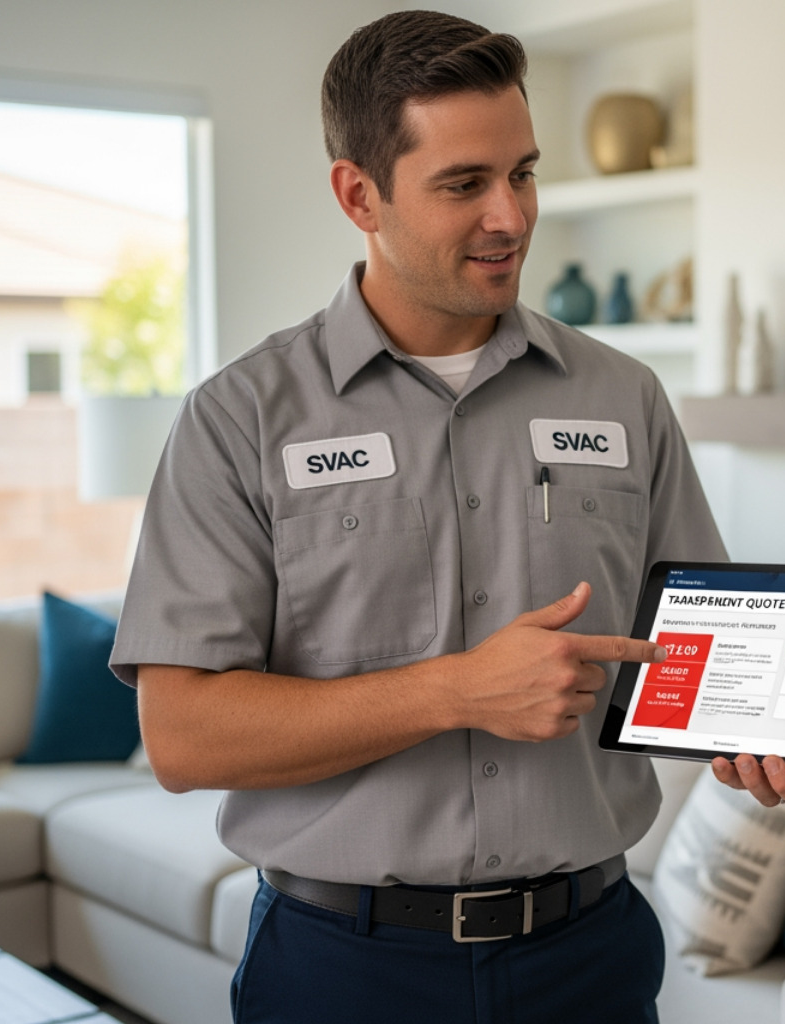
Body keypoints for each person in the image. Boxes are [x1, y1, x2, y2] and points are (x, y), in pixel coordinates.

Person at [108, 11, 726, 1023]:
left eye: (522, 173)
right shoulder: (241, 418)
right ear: (359, 193)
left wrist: (772, 721)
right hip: (345, 970)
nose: (512, 217)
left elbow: (683, 647)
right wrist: (456, 691)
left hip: (591, 960)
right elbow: (181, 733)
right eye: (464, 184)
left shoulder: (623, 396)